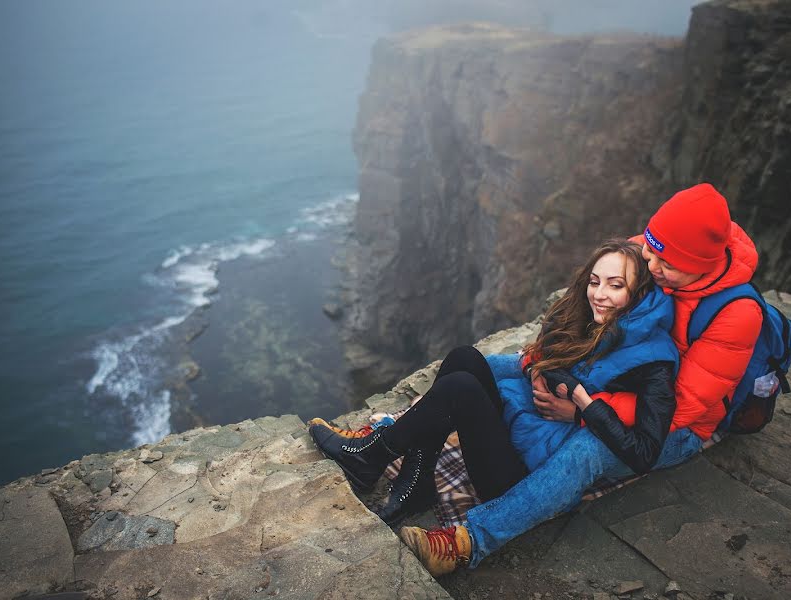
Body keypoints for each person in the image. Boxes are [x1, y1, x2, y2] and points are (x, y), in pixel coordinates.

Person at [396, 182, 764, 577]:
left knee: (590, 448)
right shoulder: (658, 249)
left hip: (676, 425)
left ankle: (468, 542)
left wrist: (582, 411)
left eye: (666, 265)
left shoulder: (738, 314)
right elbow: (598, 306)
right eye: (650, 253)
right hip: (610, 376)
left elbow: (683, 407)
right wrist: (542, 363)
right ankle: (393, 436)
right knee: (492, 364)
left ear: (701, 265)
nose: (653, 269)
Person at [310, 237, 685, 569]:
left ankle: (371, 455)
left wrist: (583, 402)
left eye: (615, 285)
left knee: (461, 389)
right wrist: (541, 367)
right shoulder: (589, 319)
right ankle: (417, 480)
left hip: (522, 474)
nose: (599, 294)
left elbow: (644, 453)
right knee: (464, 358)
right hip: (524, 432)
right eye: (595, 281)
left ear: (638, 293)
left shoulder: (653, 361)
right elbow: (551, 361)